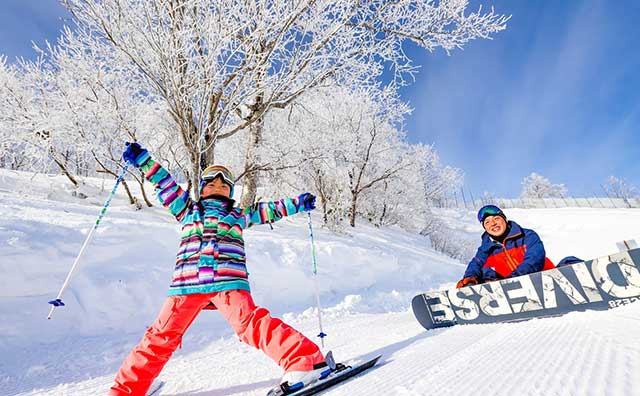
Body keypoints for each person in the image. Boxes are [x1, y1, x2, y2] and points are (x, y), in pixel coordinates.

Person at [111, 142, 331, 396]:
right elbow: (165, 183)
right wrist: (144, 161)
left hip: (227, 281)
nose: (218, 189)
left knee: (250, 324)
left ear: (230, 193)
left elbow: (269, 210)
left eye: (224, 186)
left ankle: (306, 360)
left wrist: (298, 203)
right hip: (186, 284)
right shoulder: (186, 209)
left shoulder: (238, 215)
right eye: (212, 185)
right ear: (202, 190)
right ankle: (126, 390)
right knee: (160, 336)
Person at [456, 204, 556, 288]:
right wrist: (470, 278)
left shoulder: (527, 235)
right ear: (485, 228)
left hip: (543, 278)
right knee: (485, 272)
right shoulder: (485, 249)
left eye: (496, 218)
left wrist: (514, 279)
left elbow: (534, 259)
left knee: (569, 260)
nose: (493, 224)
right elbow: (476, 264)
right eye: (487, 222)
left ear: (505, 220)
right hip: (509, 286)